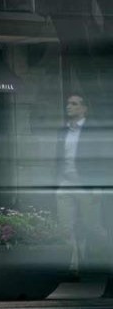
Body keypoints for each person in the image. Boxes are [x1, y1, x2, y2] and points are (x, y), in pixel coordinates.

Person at [53, 93, 113, 297]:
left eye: (74, 104)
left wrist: (97, 186)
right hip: (65, 184)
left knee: (92, 226)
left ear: (84, 108)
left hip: (86, 184)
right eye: (68, 103)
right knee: (65, 226)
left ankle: (107, 259)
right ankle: (73, 267)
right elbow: (58, 158)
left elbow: (101, 159)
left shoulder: (93, 130)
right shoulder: (63, 131)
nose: (69, 107)